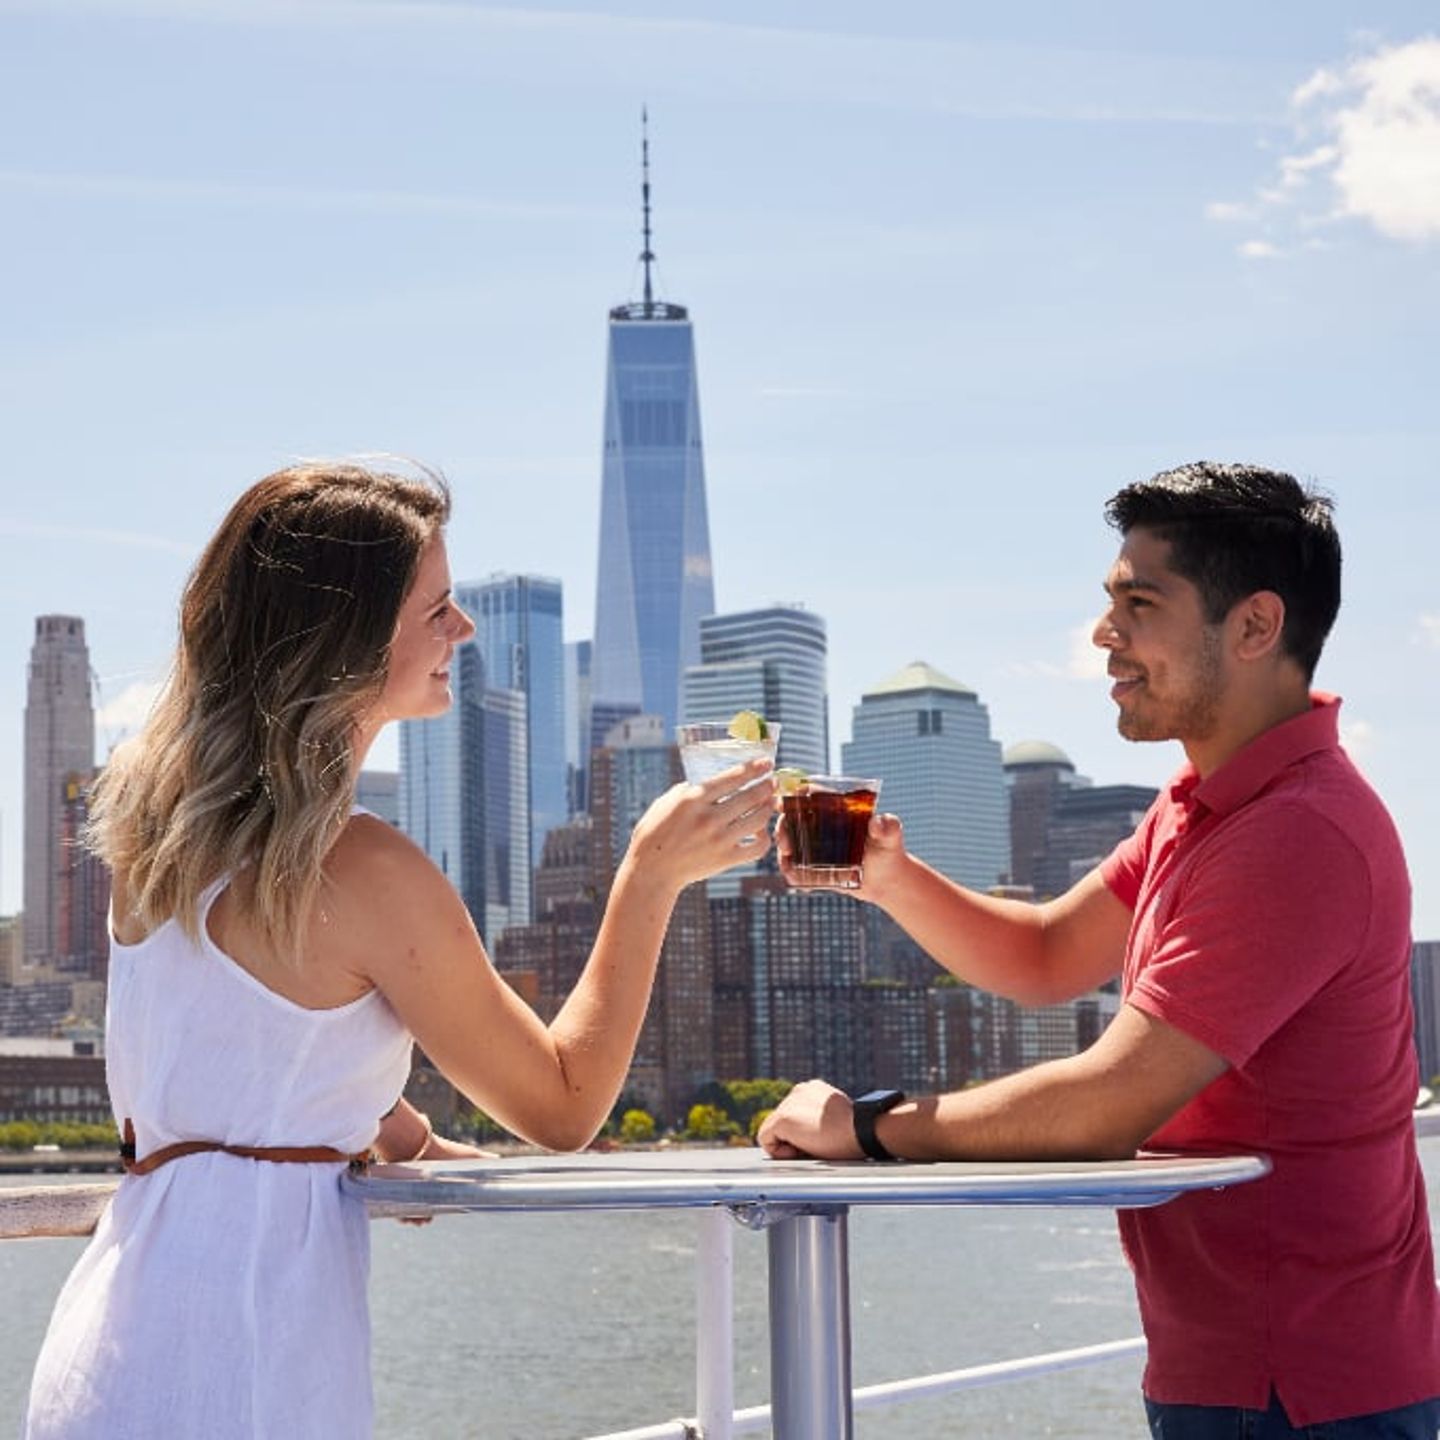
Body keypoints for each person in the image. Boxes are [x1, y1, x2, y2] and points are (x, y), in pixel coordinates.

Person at [24, 462, 775, 1440]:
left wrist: (402, 1131)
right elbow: (560, 1104)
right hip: (244, 1367)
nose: (462, 630)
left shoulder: (157, 833)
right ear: (346, 639)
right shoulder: (367, 871)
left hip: (108, 1353)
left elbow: (243, 1047)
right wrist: (650, 872)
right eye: (438, 609)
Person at [759, 462, 1440, 1438]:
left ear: (1253, 627)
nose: (1103, 635)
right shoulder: (1198, 805)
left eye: (1140, 604)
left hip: (1304, 1385)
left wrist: (867, 1126)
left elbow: (1109, 1100)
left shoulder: (1299, 831)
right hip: (1241, 1369)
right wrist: (890, 877)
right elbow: (1044, 957)